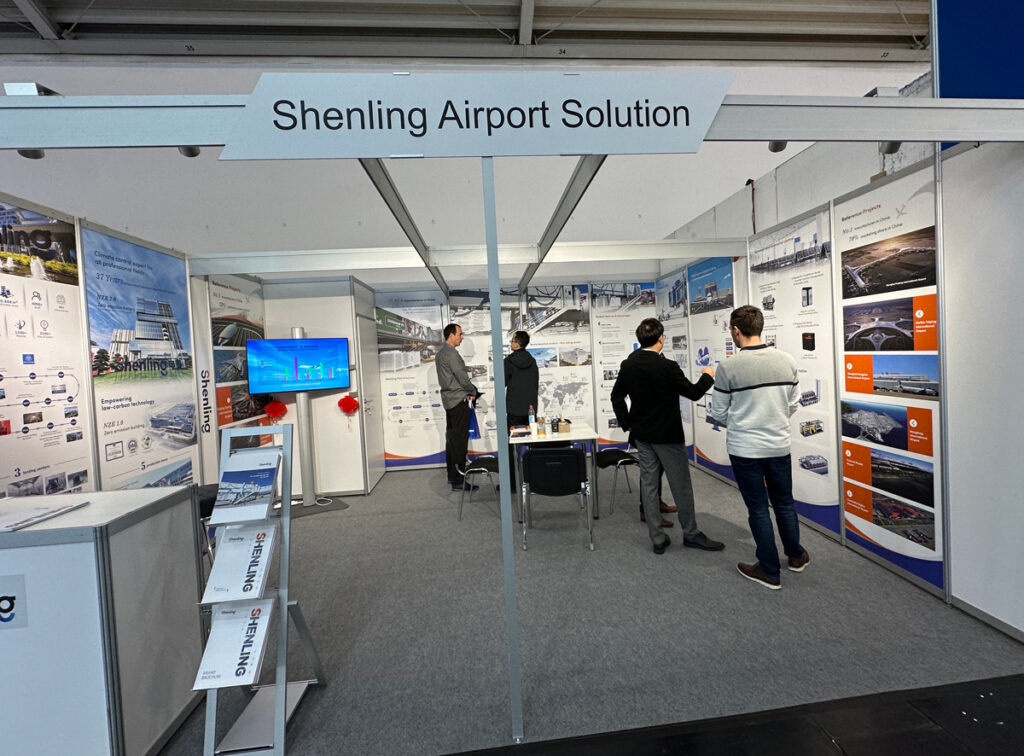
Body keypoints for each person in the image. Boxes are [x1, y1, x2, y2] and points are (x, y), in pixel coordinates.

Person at [709, 305, 810, 590]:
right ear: (760, 327)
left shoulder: (728, 367)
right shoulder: (787, 361)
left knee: (758, 508)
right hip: (778, 445)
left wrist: (743, 422)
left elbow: (718, 413)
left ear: (735, 331)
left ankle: (769, 570)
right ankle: (796, 556)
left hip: (744, 449)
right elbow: (793, 404)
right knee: (784, 502)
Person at [611, 318, 722, 555]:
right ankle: (691, 534)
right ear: (661, 339)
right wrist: (707, 376)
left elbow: (616, 396)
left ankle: (657, 538)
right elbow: (693, 392)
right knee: (681, 486)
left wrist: (628, 424)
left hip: (642, 435)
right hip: (668, 437)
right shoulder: (667, 366)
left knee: (649, 485)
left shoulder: (628, 364)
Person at [436, 323, 479, 491]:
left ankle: (452, 476)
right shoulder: (451, 354)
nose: (462, 337)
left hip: (449, 401)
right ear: (451, 335)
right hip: (458, 401)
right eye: (460, 334)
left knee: (452, 440)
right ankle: (459, 481)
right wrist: (472, 390)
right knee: (459, 441)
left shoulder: (441, 353)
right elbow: (461, 376)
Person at [504, 330, 538, 484]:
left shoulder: (508, 362)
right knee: (532, 446)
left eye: (512, 340)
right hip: (530, 410)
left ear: (517, 343)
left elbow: (503, 382)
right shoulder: (532, 360)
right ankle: (534, 479)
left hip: (514, 410)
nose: (510, 343)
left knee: (512, 447)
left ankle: (512, 483)